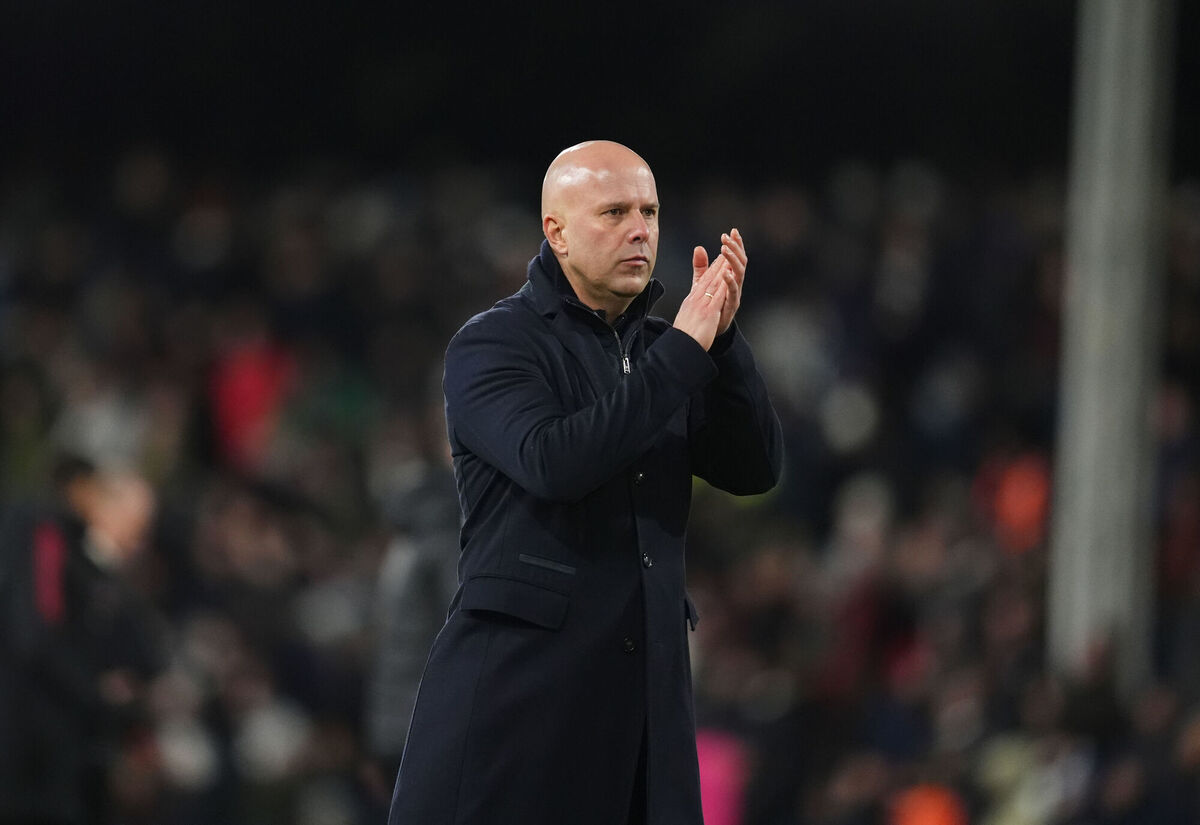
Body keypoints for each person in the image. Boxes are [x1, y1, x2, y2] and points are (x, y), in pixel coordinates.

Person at [387, 140, 784, 825]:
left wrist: (721, 341)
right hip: (520, 718)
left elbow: (755, 468)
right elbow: (553, 461)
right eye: (614, 212)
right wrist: (684, 352)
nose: (641, 229)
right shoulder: (494, 344)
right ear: (557, 232)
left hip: (642, 723)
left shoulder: (667, 350)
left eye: (650, 211)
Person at [0, 456, 165, 825]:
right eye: (133, 517)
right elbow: (36, 635)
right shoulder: (46, 535)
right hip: (29, 747)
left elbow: (144, 655)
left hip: (75, 753)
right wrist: (97, 689)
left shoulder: (113, 574)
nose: (138, 534)